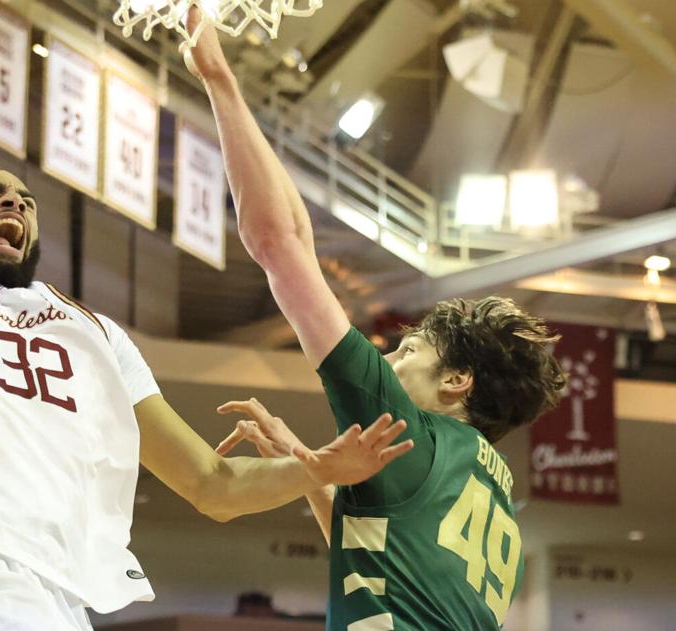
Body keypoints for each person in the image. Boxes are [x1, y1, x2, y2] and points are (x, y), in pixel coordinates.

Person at [0, 108, 410, 629]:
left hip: (58, 597)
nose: (14, 204)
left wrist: (316, 469)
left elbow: (214, 483)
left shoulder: (100, 335)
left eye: (25, 201)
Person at [185, 10, 567, 630]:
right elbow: (378, 550)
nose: (387, 361)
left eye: (408, 351)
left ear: (456, 381)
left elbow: (279, 244)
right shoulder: (492, 503)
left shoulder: (409, 433)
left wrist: (220, 80)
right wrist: (307, 465)